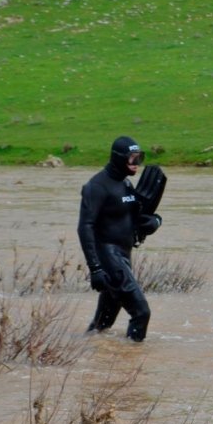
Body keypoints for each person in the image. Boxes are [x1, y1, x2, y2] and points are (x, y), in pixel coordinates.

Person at [77, 136, 163, 342]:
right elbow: (84, 227)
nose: (136, 164)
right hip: (109, 258)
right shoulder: (96, 186)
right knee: (141, 313)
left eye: (139, 158)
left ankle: (85, 352)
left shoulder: (126, 184)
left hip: (123, 256)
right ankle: (132, 362)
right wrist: (95, 268)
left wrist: (154, 222)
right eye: (131, 159)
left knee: (102, 324)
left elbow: (136, 219)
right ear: (117, 158)